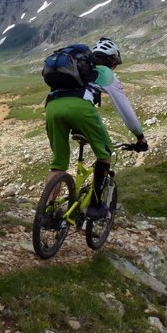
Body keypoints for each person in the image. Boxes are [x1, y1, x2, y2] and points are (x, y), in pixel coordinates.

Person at [44, 37, 148, 219]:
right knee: (105, 154)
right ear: (112, 61)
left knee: (58, 163)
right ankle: (96, 206)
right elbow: (125, 110)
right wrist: (140, 136)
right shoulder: (106, 74)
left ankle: (46, 212)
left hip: (52, 107)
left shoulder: (77, 68)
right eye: (115, 64)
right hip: (80, 109)